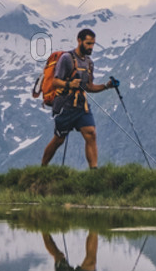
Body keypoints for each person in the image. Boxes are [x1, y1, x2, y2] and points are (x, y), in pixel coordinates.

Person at [40, 28, 119, 168]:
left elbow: (89, 87)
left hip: (82, 106)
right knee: (59, 139)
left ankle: (94, 171)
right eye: (88, 43)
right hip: (64, 106)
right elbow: (55, 82)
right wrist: (69, 84)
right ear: (79, 41)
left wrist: (107, 86)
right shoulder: (66, 59)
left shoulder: (89, 63)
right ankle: (43, 167)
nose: (91, 47)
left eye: (93, 44)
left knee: (91, 133)